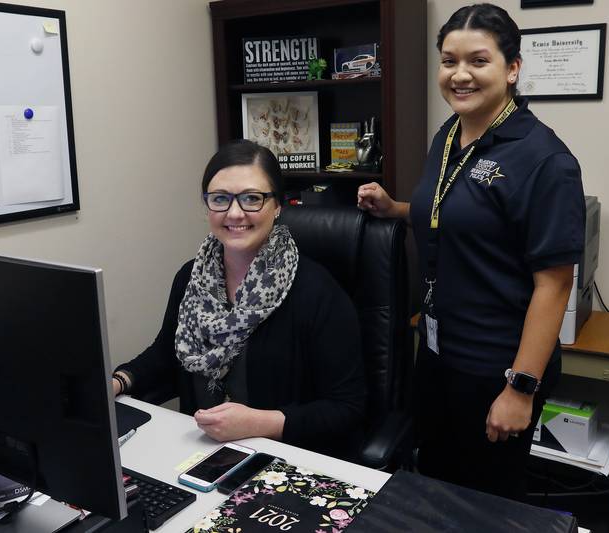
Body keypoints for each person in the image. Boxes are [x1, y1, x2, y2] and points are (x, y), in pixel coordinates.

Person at [357, 3, 584, 499]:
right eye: (448, 60)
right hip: (438, 352)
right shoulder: (449, 134)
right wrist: (395, 208)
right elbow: (450, 213)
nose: (459, 75)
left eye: (478, 61)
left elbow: (555, 283)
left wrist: (520, 387)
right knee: (435, 482)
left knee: (485, 499)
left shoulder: (544, 160)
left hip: (496, 366)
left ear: (512, 68)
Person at [113, 140, 366, 460]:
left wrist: (260, 422)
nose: (234, 213)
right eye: (220, 199)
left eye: (251, 199)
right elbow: (166, 355)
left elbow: (347, 407)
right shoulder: (191, 278)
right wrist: (118, 381)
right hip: (199, 452)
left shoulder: (317, 293)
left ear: (277, 206)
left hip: (284, 458)